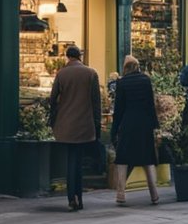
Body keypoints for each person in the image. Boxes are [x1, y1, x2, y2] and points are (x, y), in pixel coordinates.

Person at [50, 46, 102, 212]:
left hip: (65, 124)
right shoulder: (91, 73)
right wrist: (97, 124)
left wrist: (54, 119)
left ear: (67, 57)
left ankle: (72, 197)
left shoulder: (61, 74)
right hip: (84, 124)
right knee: (78, 161)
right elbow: (96, 103)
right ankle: (77, 197)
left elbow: (52, 100)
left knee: (70, 161)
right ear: (79, 56)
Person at [110, 55, 160, 206]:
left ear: (125, 68)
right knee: (148, 158)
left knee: (122, 158)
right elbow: (151, 104)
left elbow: (119, 109)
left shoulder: (122, 83)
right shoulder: (146, 80)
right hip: (145, 124)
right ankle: (154, 194)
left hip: (128, 123)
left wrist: (114, 130)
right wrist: (155, 125)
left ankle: (121, 194)